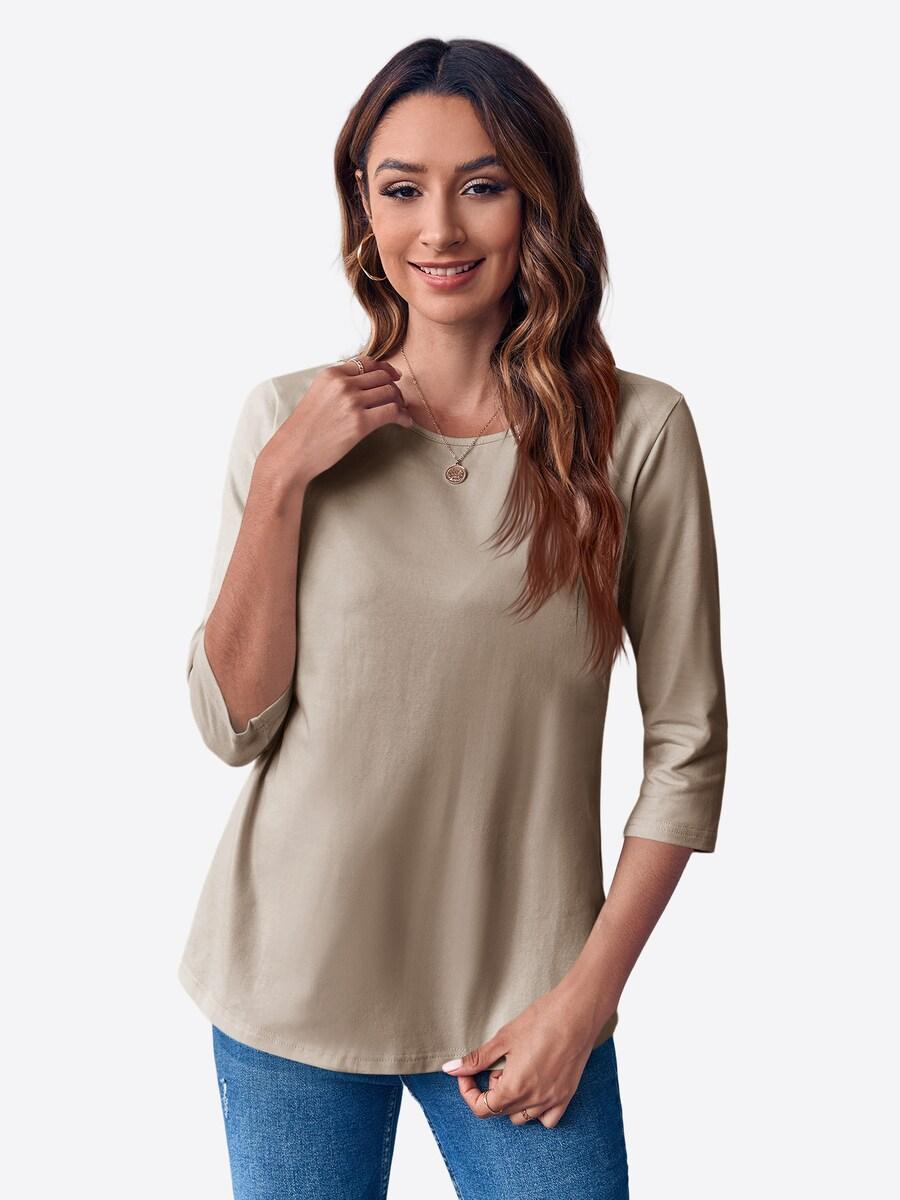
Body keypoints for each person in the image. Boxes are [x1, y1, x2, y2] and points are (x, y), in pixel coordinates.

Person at [178, 36, 727, 1200]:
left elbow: (687, 746)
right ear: (363, 208)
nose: (439, 228)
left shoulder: (637, 436)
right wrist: (281, 482)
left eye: (481, 186)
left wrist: (587, 998)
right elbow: (232, 726)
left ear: (538, 203)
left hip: (526, 997)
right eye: (402, 189)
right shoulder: (288, 420)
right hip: (290, 981)